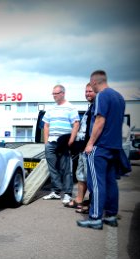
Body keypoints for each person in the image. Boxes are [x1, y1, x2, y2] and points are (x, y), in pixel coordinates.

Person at [77, 70, 130, 229]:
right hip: (115, 146)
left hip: (100, 146)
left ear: (94, 81)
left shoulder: (102, 96)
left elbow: (100, 120)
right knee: (110, 182)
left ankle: (95, 218)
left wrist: (90, 143)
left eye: (90, 84)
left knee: (97, 183)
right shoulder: (119, 97)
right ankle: (111, 216)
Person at [42, 85, 80, 204]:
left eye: (56, 93)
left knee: (66, 169)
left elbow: (76, 124)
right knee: (53, 169)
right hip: (51, 143)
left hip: (64, 143)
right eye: (53, 93)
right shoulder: (51, 109)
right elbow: (46, 125)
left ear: (63, 93)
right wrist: (46, 142)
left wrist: (71, 141)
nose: (54, 95)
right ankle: (56, 191)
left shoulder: (71, 108)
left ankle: (68, 194)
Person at [64, 83, 95, 212]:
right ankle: (79, 199)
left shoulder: (98, 107)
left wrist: (91, 144)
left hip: (90, 149)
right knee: (81, 176)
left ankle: (93, 204)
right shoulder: (90, 107)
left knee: (92, 178)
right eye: (86, 91)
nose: (87, 93)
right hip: (82, 149)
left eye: (90, 91)